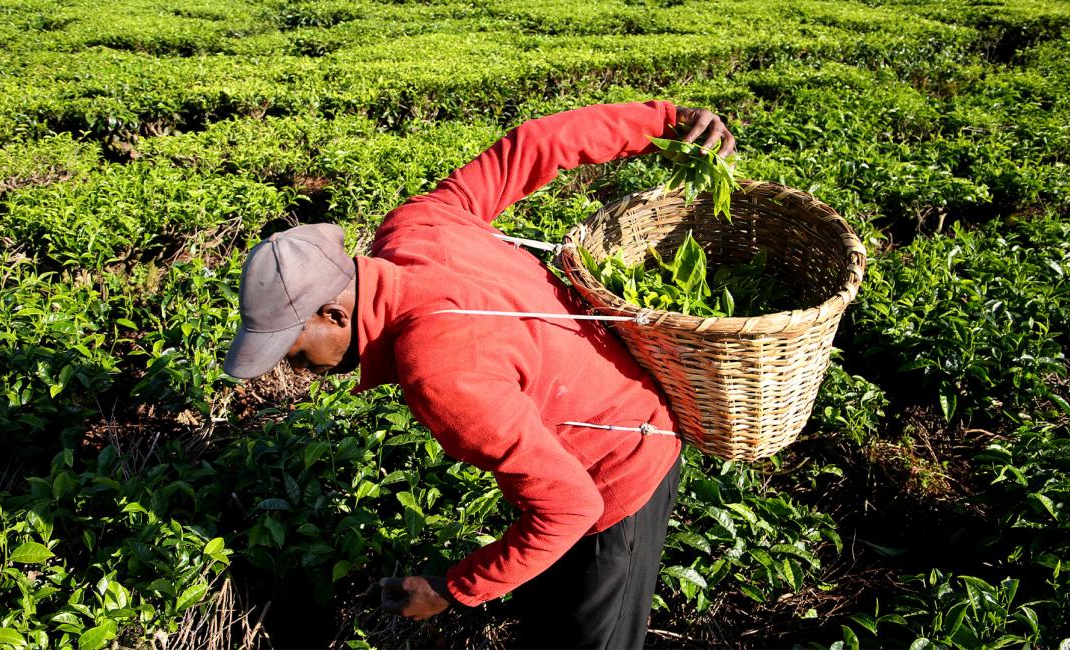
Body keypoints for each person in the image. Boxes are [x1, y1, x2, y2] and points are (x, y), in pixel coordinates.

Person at [223, 101, 736, 649]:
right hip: (605, 403)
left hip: (619, 475)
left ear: (335, 314)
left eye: (293, 350)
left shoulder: (440, 371)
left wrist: (452, 587)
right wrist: (662, 121)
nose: (298, 369)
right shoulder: (414, 227)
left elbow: (571, 507)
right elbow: (534, 146)